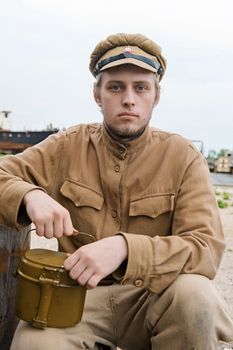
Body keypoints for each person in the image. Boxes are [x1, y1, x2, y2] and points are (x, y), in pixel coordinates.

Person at [0, 33, 232, 350]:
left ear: (156, 96)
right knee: (32, 344)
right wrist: (29, 194)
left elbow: (204, 248)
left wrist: (125, 249)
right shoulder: (67, 145)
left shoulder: (183, 156)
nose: (128, 98)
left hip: (154, 296)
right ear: (97, 94)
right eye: (115, 87)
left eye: (140, 87)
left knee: (196, 298)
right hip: (75, 298)